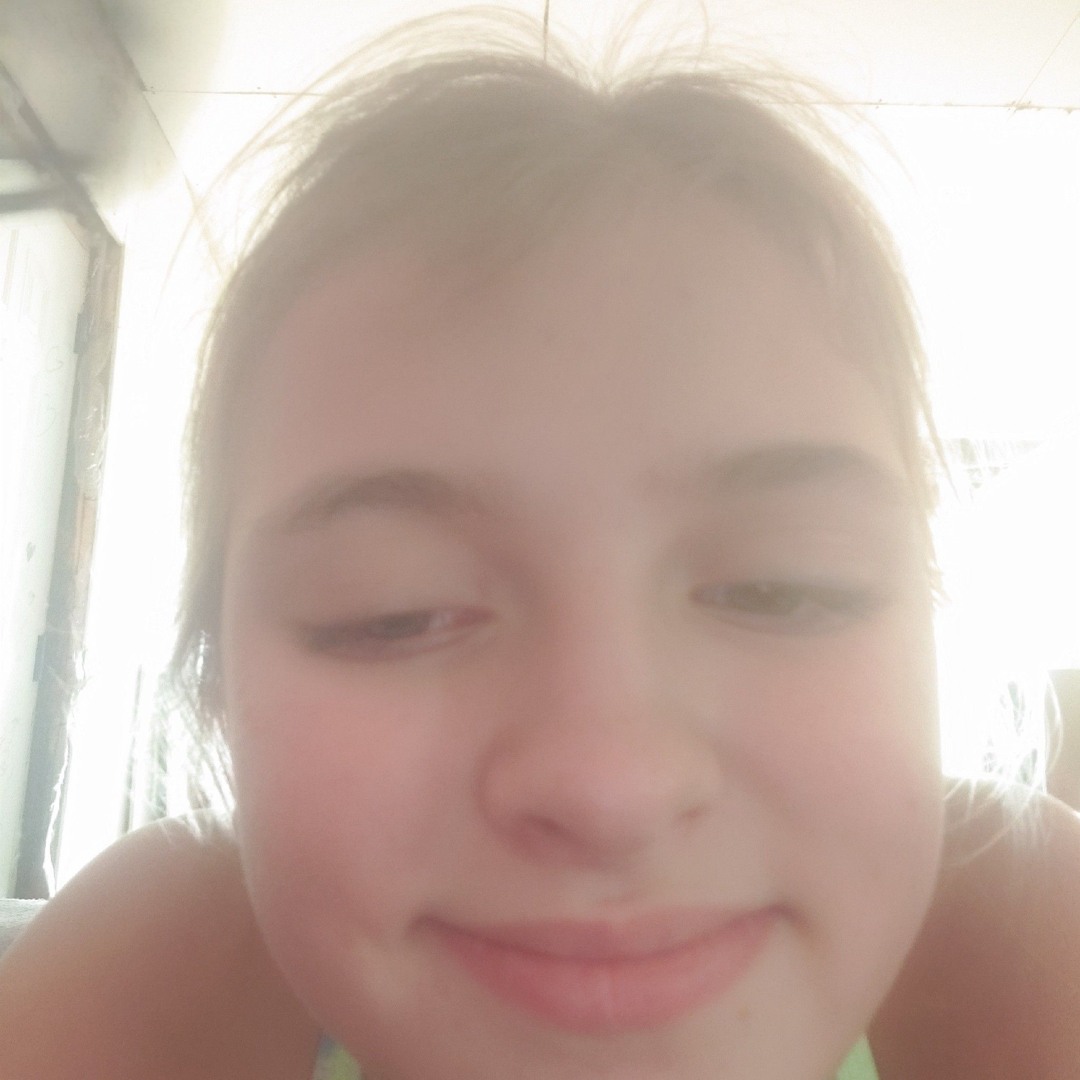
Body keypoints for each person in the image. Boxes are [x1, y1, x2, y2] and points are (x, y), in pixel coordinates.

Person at [3, 9, 1058, 1079]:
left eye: (785, 588)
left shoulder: (1022, 944)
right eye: (395, 614)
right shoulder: (149, 987)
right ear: (216, 693)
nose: (610, 786)